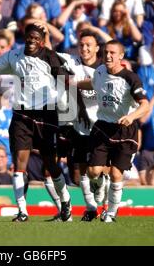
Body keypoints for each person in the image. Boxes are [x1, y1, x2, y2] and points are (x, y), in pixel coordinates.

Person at [0, 22, 78, 222]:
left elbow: (63, 80)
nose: (32, 41)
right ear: (25, 37)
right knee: (19, 163)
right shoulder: (14, 56)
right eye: (29, 37)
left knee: (50, 164)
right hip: (22, 116)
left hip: (46, 114)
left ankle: (66, 200)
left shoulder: (50, 56)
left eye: (36, 39)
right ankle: (23, 211)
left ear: (42, 42)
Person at [77, 39, 149, 222]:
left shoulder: (131, 78)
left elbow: (145, 104)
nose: (108, 56)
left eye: (112, 53)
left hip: (125, 130)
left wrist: (131, 117)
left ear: (121, 56)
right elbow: (93, 84)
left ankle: (111, 213)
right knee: (93, 172)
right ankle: (100, 187)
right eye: (106, 52)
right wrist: (73, 84)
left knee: (117, 173)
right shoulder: (100, 71)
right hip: (102, 127)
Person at [56, 29, 101, 221]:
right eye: (81, 45)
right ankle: (91, 208)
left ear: (97, 48)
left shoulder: (103, 70)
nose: (84, 48)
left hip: (100, 125)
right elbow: (48, 52)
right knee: (79, 173)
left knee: (98, 171)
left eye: (89, 45)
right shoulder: (71, 61)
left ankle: (102, 202)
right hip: (78, 126)